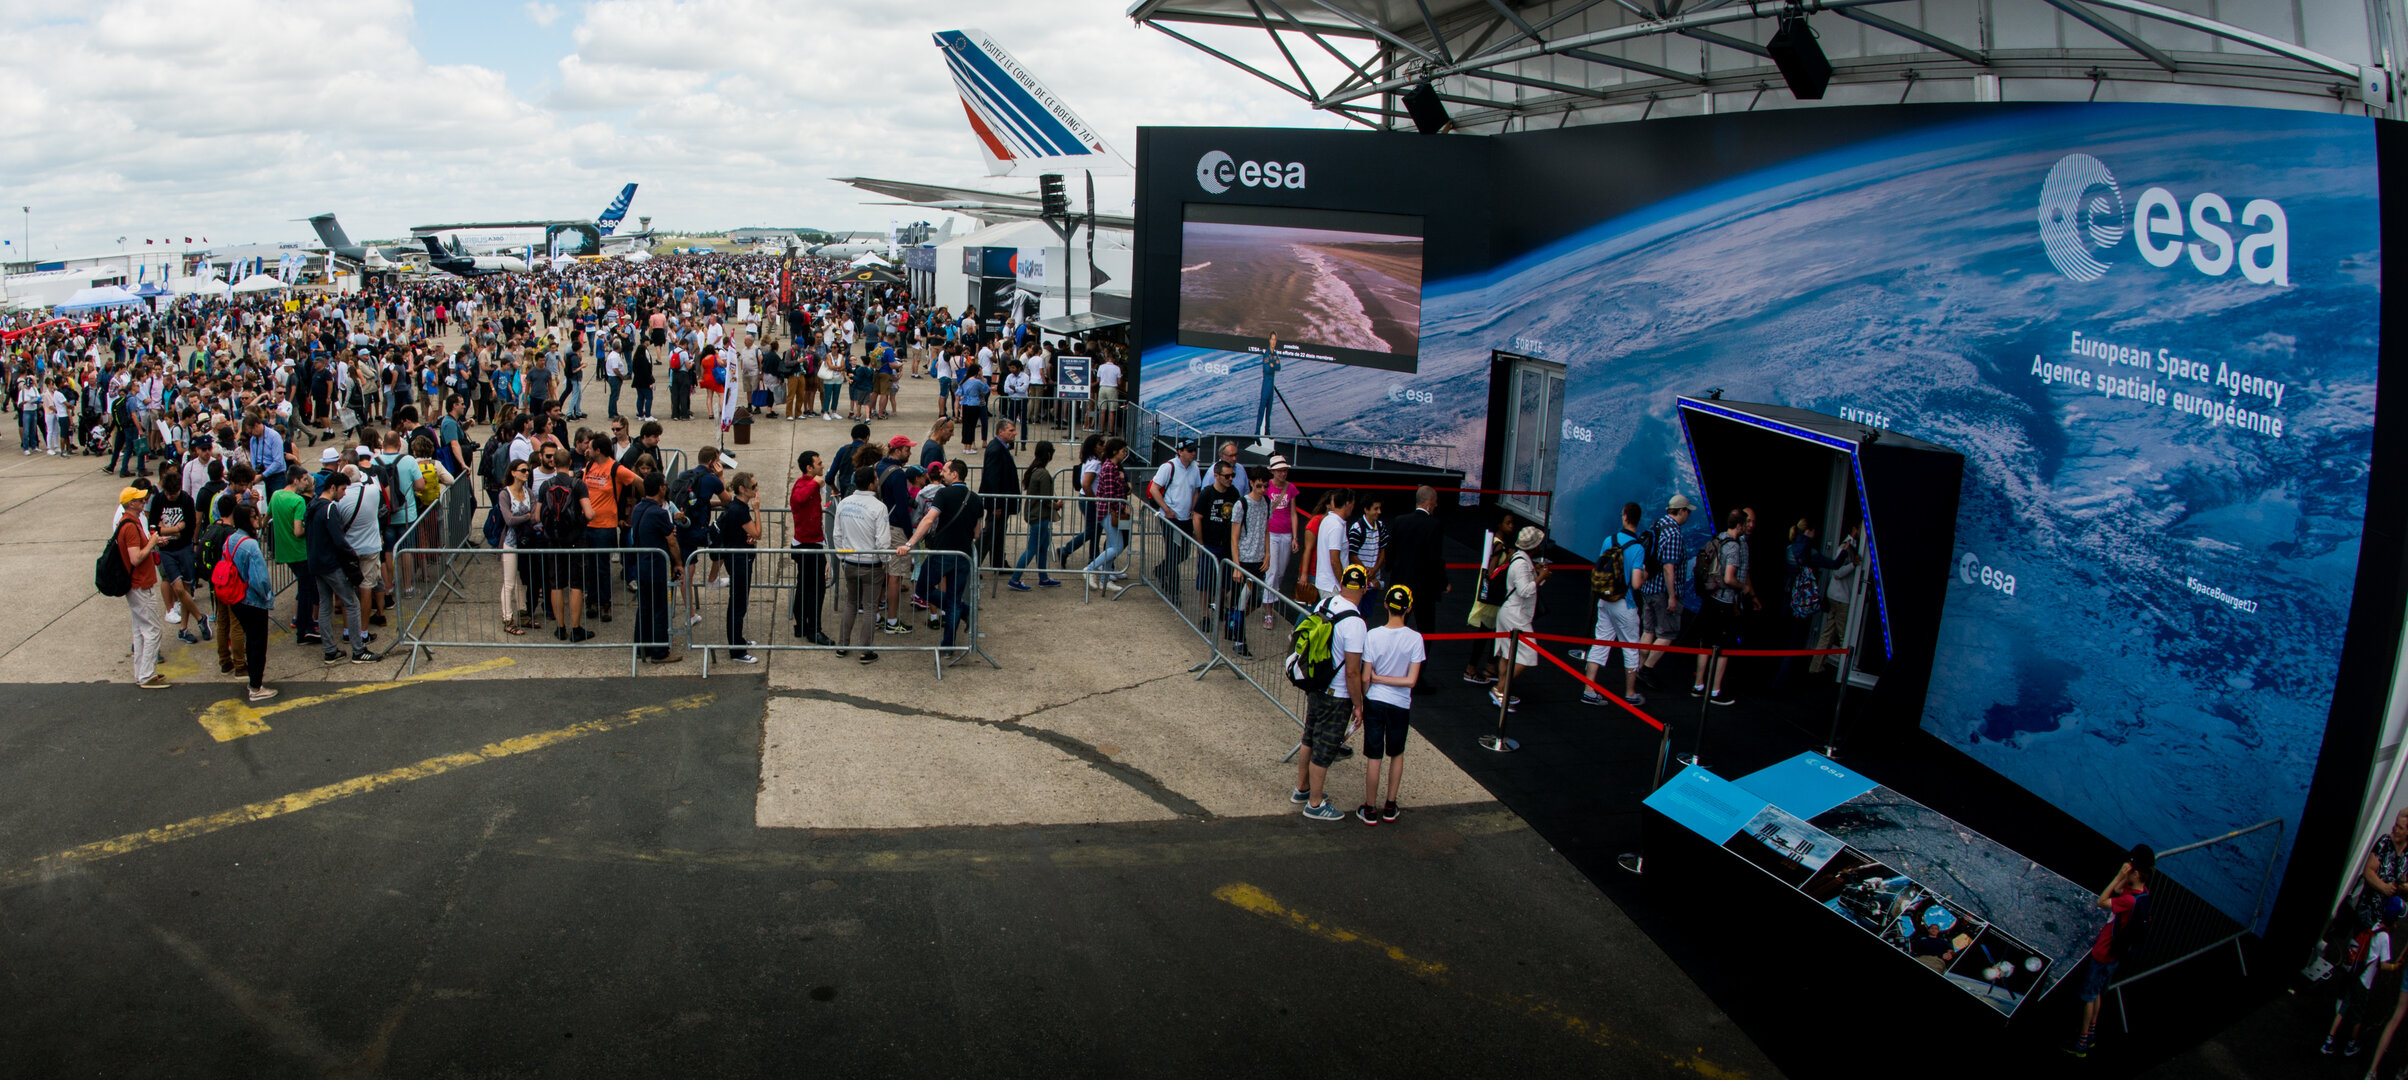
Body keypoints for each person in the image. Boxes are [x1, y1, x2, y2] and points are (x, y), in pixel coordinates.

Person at [1293, 563, 1369, 822]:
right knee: (1325, 748)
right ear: (1365, 588)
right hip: (1336, 694)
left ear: (1342, 583)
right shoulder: (1356, 623)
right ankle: (1315, 803)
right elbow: (1352, 671)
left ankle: (1301, 789)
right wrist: (1358, 705)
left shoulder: (1325, 604)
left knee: (1309, 737)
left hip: (1316, 684)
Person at [2069, 846, 2154, 1058]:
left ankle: (2081, 1042)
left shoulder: (2128, 901)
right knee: (2097, 991)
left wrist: (2118, 875)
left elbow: (2103, 900)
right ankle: (2091, 1033)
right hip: (2116, 954)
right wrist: (2125, 879)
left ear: (2136, 872)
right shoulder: (2143, 894)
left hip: (2104, 952)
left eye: (2130, 867)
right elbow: (2118, 890)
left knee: (2089, 995)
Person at [1356, 583, 1424, 825]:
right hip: (1400, 704)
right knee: (1397, 753)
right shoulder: (1416, 639)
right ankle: (1390, 804)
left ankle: (1370, 807)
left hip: (1375, 700)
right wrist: (1389, 680)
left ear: (1386, 605)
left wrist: (1371, 687)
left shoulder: (1373, 635)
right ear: (1408, 608)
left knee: (1374, 756)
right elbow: (1411, 680)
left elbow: (1365, 677)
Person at [901, 458, 981, 651]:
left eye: (945, 470)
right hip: (964, 554)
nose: (941, 473)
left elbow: (929, 519)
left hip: (943, 552)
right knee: (953, 600)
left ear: (955, 474)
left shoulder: (944, 494)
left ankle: (963, 610)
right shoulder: (976, 498)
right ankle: (948, 644)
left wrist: (910, 543)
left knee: (921, 590)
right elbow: (977, 532)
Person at [305, 469, 376, 664]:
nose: (344, 494)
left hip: (316, 563)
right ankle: (358, 650)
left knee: (325, 605)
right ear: (333, 488)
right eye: (343, 489)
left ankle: (329, 650)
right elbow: (338, 539)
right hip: (331, 564)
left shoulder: (312, 506)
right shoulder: (330, 509)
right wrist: (351, 554)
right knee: (351, 603)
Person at [1582, 502, 1649, 707]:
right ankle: (1630, 693)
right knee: (1630, 647)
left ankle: (1589, 689)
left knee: (1601, 640)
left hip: (1604, 598)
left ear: (1625, 517)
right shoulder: (1637, 548)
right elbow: (1636, 583)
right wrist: (1645, 574)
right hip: (1624, 602)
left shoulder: (1609, 540)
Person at [1691, 507, 1757, 707]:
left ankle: (1698, 685)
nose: (1750, 526)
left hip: (1709, 599)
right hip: (1724, 601)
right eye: (1747, 522)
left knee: (1705, 643)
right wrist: (1744, 587)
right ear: (1740, 525)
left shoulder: (1718, 539)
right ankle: (1715, 690)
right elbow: (1730, 578)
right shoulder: (1736, 546)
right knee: (1723, 648)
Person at [2332, 896, 2407, 1059]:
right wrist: (2396, 967)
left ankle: (2329, 1040)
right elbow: (2383, 964)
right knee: (2359, 1016)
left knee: (2344, 1008)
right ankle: (2351, 1044)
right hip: (2365, 982)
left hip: (2356, 973)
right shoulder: (2384, 937)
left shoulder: (2376, 925)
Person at [113, 487, 169, 689]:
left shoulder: (130, 522)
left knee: (139, 630)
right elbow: (136, 558)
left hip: (136, 584)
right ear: (130, 504)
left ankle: (141, 672)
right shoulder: (130, 526)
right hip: (140, 584)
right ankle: (147, 674)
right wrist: (153, 541)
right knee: (153, 629)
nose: (143, 500)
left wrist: (152, 542)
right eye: (138, 499)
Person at [1637, 495, 1695, 689]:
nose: (1688, 514)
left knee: (1648, 630)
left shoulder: (1658, 524)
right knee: (1668, 634)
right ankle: (1646, 669)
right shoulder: (1674, 534)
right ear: (1681, 511)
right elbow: (1669, 568)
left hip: (1648, 587)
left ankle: (1636, 668)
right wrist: (1672, 596)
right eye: (1687, 511)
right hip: (1662, 592)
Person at [220, 501, 277, 700]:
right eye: (254, 516)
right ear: (247, 519)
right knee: (257, 644)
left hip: (236, 599)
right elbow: (260, 579)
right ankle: (256, 687)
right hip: (253, 601)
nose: (258, 519)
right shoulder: (251, 545)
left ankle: (253, 682)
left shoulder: (230, 540)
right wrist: (267, 597)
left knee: (250, 640)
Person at [832, 465, 889, 663]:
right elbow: (883, 541)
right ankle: (866, 650)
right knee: (870, 607)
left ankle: (842, 645)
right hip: (871, 564)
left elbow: (837, 535)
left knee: (851, 603)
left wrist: (843, 558)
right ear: (872, 483)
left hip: (850, 562)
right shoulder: (878, 507)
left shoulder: (844, 503)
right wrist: (885, 561)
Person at [628, 472, 683, 663]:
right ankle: (660, 652)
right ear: (661, 488)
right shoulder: (659, 513)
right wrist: (678, 563)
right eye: (665, 485)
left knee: (644, 607)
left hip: (642, 564)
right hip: (656, 566)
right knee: (660, 608)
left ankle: (641, 647)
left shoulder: (638, 509)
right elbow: (672, 541)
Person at [1194, 456, 1246, 651]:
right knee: (1205, 581)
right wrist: (1200, 543)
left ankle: (1219, 607)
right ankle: (1205, 614)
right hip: (1210, 544)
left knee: (1225, 583)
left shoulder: (1234, 493)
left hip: (1226, 546)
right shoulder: (1207, 493)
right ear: (1216, 476)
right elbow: (1197, 517)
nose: (1230, 479)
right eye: (1226, 476)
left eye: (1232, 475)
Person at [1491, 526, 1546, 712]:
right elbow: (1525, 590)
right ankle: (1500, 690)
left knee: (1507, 653)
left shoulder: (1518, 558)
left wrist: (1537, 574)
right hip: (1517, 616)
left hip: (1509, 612)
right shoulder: (1522, 563)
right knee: (1528, 654)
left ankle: (1500, 691)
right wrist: (1541, 577)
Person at [1383, 485, 1445, 646]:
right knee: (1426, 630)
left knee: (1395, 624)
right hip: (1424, 588)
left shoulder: (1399, 521)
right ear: (1430, 503)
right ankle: (1419, 668)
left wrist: (1390, 569)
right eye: (1436, 502)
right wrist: (1442, 583)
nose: (1437, 506)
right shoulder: (1434, 525)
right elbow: (1435, 558)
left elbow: (1390, 550)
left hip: (1400, 582)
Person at [150, 464, 203, 643]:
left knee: (186, 589)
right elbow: (153, 528)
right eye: (168, 494)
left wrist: (166, 529)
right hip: (166, 551)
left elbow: (188, 529)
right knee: (178, 588)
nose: (171, 497)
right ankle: (200, 618)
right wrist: (175, 529)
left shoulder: (187, 500)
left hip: (184, 548)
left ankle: (183, 628)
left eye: (174, 494)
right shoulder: (158, 500)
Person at [1149, 439, 1202, 604]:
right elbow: (1154, 489)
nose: (1193, 453)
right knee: (1173, 553)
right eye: (1190, 450)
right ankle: (1174, 591)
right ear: (1180, 451)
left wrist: (1193, 509)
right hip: (1171, 519)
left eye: (1194, 450)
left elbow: (1196, 490)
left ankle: (1160, 569)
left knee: (1184, 552)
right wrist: (1166, 509)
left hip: (1185, 518)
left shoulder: (1195, 468)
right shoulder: (1168, 467)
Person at [717, 471, 762, 664]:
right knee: (737, 604)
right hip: (739, 562)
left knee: (739, 603)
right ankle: (736, 649)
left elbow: (746, 533)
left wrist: (748, 537)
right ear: (742, 489)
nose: (756, 489)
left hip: (739, 558)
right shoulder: (739, 509)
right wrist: (757, 510)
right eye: (753, 486)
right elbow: (758, 533)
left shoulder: (736, 507)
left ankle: (739, 641)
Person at [268, 468, 316, 645]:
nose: (307, 482)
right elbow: (298, 531)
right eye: (304, 479)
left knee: (304, 589)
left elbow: (266, 519)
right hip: (300, 552)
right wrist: (310, 526)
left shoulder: (275, 495)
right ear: (295, 481)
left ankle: (305, 626)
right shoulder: (298, 501)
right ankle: (304, 630)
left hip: (284, 552)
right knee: (306, 592)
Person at [788, 451, 832, 643]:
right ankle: (813, 630)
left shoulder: (811, 484)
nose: (822, 466)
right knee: (815, 589)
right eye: (819, 463)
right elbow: (798, 499)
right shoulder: (802, 485)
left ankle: (802, 626)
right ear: (809, 467)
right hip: (807, 546)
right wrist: (816, 482)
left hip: (812, 542)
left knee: (805, 587)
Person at [1008, 440, 1061, 590]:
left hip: (1036, 515)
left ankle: (1043, 577)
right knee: (1032, 549)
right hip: (1040, 516)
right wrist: (1057, 505)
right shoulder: (1043, 473)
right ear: (1049, 454)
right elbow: (1046, 499)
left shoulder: (1035, 470)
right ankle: (1015, 578)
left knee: (1042, 547)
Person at [1082, 438, 1131, 581]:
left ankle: (1105, 578)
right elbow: (1110, 496)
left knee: (1111, 544)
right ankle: (1091, 568)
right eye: (1123, 450)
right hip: (1109, 512)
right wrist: (1121, 508)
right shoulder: (1109, 468)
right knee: (1117, 546)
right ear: (1115, 451)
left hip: (1112, 511)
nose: (1125, 453)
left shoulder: (1112, 467)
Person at [1260, 455, 1301, 626]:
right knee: (1272, 570)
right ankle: (1268, 610)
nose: (1283, 473)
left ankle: (1269, 600)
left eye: (1285, 470)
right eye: (1280, 470)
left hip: (1285, 533)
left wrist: (1295, 536)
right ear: (1273, 472)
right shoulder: (1266, 486)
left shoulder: (1290, 488)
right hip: (1271, 533)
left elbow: (1293, 512)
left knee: (1281, 571)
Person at [979, 420, 1020, 571]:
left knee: (998, 533)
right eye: (1011, 430)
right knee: (990, 532)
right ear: (1000, 432)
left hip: (1003, 502)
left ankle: (998, 561)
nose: (1014, 433)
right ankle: (973, 562)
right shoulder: (996, 450)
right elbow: (992, 479)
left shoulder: (1001, 448)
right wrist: (995, 504)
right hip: (998, 503)